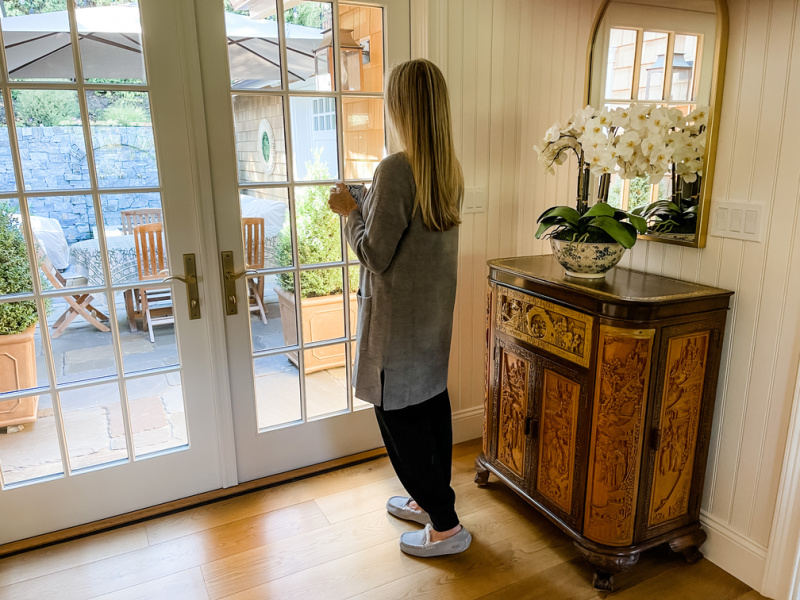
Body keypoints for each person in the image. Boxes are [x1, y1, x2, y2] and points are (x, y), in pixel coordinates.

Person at [328, 58, 469, 558]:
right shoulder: (446, 168)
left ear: (400, 107)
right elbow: (411, 238)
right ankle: (426, 502)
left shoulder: (395, 167)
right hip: (430, 322)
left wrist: (349, 213)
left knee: (398, 421)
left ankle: (446, 526)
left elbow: (375, 254)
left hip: (395, 328)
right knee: (430, 407)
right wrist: (367, 202)